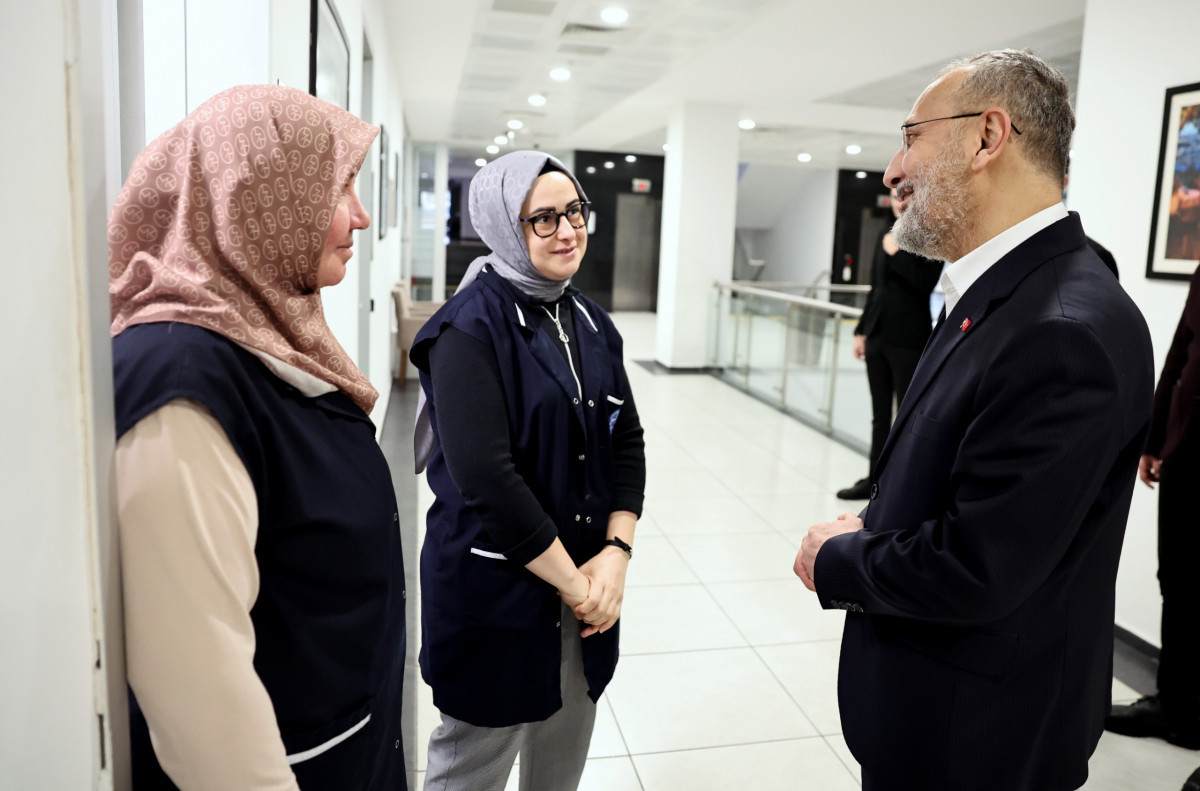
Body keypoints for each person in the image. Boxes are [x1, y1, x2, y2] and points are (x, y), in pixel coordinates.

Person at [793, 50, 1153, 790]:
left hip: (979, 736)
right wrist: (875, 521)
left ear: (988, 136)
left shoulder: (1062, 328)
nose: (893, 170)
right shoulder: (1000, 293)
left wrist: (837, 559)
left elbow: (981, 566)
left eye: (912, 137)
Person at [110, 85, 406, 790]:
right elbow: (197, 694)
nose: (361, 216)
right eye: (339, 189)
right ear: (256, 196)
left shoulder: (259, 336)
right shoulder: (179, 379)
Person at [410, 151, 646, 790]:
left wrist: (616, 553)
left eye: (575, 211)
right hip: (500, 593)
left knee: (560, 765)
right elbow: (487, 478)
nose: (567, 231)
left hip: (587, 592)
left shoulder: (592, 322)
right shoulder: (466, 330)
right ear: (502, 226)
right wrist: (577, 585)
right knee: (473, 768)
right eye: (543, 218)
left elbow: (626, 441)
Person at [1105, 265, 1200, 749]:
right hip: (1185, 451)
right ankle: (1175, 706)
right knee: (1178, 580)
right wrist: (1156, 435)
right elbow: (1182, 351)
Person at [838, 189, 942, 500]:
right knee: (880, 416)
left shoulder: (929, 238)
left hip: (909, 340)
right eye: (896, 197)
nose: (900, 202)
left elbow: (924, 285)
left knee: (906, 417)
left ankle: (898, 486)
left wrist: (897, 253)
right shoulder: (886, 235)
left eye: (906, 196)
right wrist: (861, 330)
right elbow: (876, 289)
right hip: (878, 337)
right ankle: (873, 479)